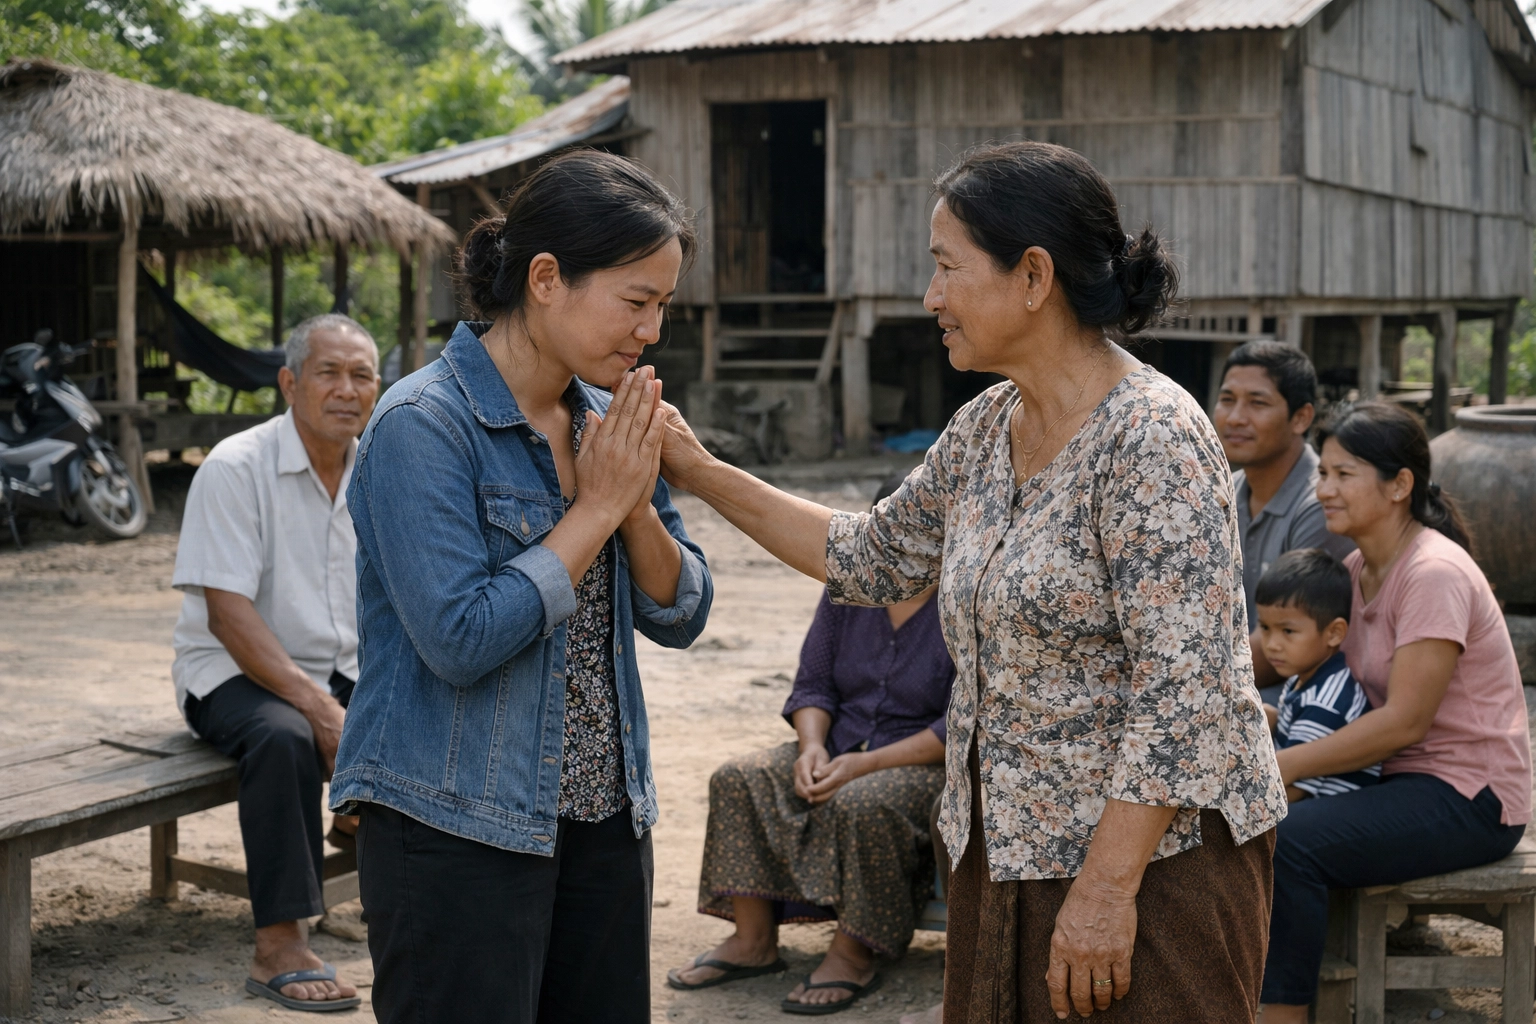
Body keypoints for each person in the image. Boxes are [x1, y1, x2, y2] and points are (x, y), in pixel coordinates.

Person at [657, 141, 1287, 1022]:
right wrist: (696, 468)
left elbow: (1183, 699)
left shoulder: (1153, 440)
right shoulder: (988, 425)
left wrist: (1106, 894)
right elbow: (868, 556)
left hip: (1150, 872)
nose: (931, 297)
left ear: (1034, 275)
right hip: (1008, 852)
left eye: (947, 267)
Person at [328, 150, 712, 1024]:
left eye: (663, 305)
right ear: (547, 278)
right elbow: (459, 638)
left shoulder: (606, 416)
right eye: (636, 301)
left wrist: (633, 508)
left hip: (605, 814)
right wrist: (598, 508)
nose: (651, 330)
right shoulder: (421, 425)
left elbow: (684, 610)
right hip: (453, 823)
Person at [1259, 402, 1531, 1023]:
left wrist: (1283, 766)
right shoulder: (1357, 569)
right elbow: (1282, 646)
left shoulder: (1432, 573)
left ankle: (1282, 1015)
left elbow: (1406, 722)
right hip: (1399, 780)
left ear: (1399, 485)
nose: (1322, 489)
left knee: (1290, 840)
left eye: (1342, 474)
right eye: (1321, 473)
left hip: (1470, 796)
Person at [667, 473, 956, 1014]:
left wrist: (863, 765)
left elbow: (955, 728)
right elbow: (814, 684)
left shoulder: (963, 605)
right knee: (740, 777)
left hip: (918, 761)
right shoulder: (851, 588)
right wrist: (812, 749)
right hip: (838, 742)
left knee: (864, 804)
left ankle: (853, 953)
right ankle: (753, 942)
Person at [171, 313, 380, 1011]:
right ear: (290, 383)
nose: (346, 390)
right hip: (231, 671)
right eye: (329, 372)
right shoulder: (235, 467)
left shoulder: (380, 470)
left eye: (362, 375)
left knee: (426, 706)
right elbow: (228, 615)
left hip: (337, 662)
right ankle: (280, 943)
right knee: (286, 735)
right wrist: (321, 708)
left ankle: (367, 852)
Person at [1214, 341, 1355, 694]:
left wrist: (1192, 690)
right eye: (1227, 400)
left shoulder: (1321, 504)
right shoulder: (1223, 491)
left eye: (1257, 403)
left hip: (1290, 709)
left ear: (1301, 417)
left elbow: (1287, 640)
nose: (1235, 418)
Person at [1255, 548, 1380, 801]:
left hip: (1321, 810)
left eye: (1288, 631)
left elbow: (1294, 791)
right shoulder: (1304, 678)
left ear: (1334, 633)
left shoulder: (1324, 702)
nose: (1272, 644)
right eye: (1265, 628)